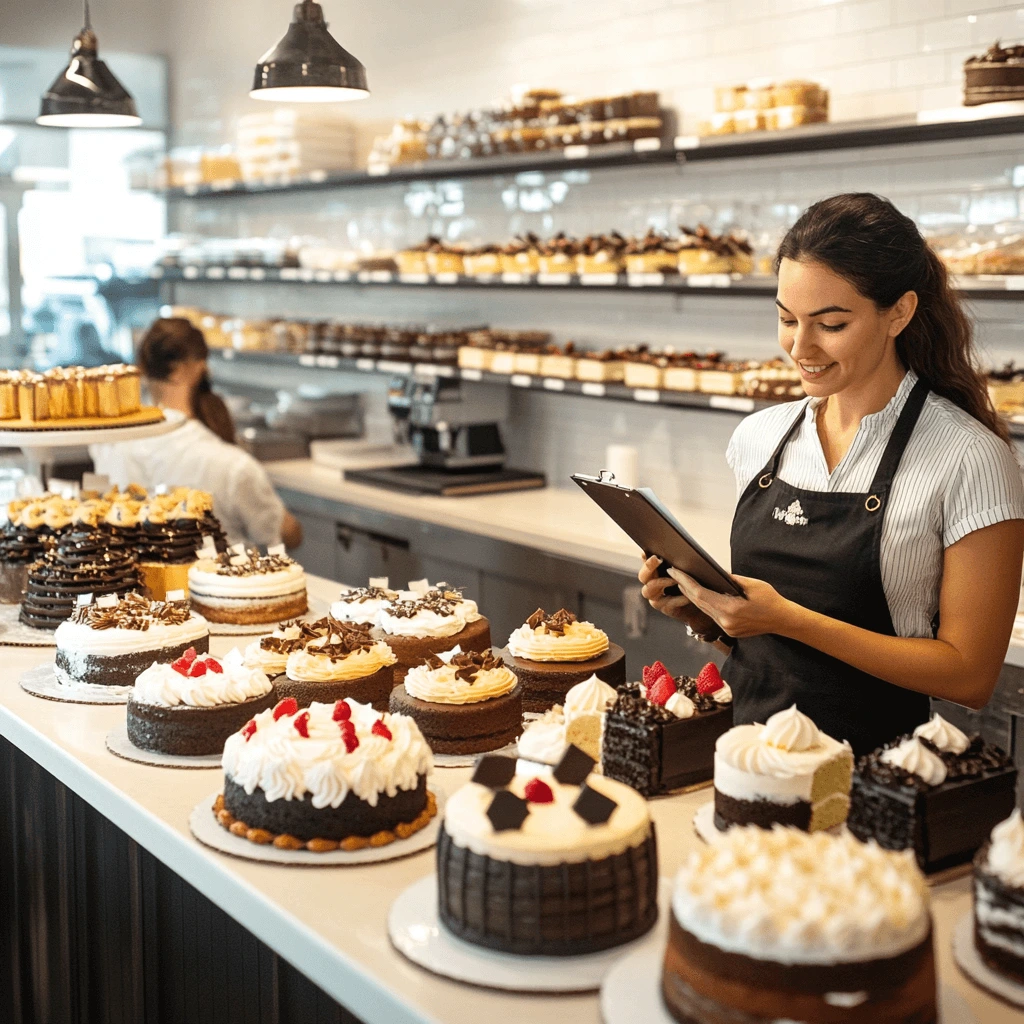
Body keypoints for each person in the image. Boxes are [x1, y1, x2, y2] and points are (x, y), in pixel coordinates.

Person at [639, 193, 1024, 756]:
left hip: (882, 783)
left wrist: (789, 619)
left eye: (832, 324)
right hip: (753, 763)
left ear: (900, 311)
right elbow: (783, 658)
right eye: (786, 319)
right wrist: (711, 616)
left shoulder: (970, 458)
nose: (800, 348)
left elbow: (969, 676)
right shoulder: (759, 439)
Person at [90, 317, 303, 549]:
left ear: (143, 369)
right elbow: (285, 534)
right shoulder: (231, 465)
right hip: (218, 582)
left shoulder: (108, 446)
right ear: (194, 368)